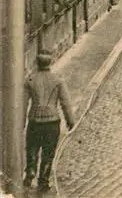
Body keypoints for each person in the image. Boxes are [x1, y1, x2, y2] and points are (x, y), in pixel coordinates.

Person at [24, 50, 75, 191]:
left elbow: (23, 104)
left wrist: (21, 123)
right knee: (48, 152)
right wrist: (70, 121)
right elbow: (65, 103)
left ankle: (30, 172)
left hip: (34, 121)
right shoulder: (58, 80)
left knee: (32, 148)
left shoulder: (30, 80)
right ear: (50, 62)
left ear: (37, 62)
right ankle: (43, 181)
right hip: (52, 122)